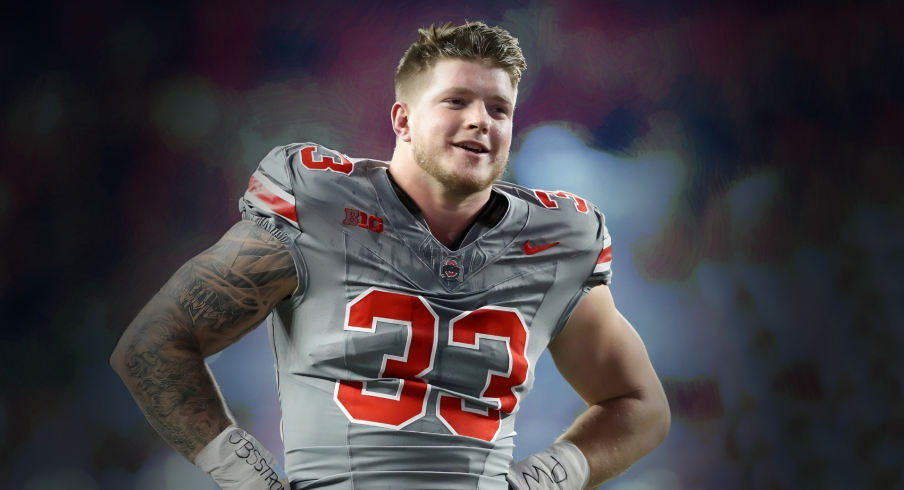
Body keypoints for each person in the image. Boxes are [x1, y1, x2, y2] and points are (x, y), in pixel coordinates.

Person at [111, 21, 670, 490]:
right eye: (457, 100)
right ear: (401, 119)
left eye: (499, 108)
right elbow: (154, 343)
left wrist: (546, 475)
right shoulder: (321, 208)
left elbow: (640, 404)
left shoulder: (554, 241)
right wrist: (247, 475)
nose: (481, 120)